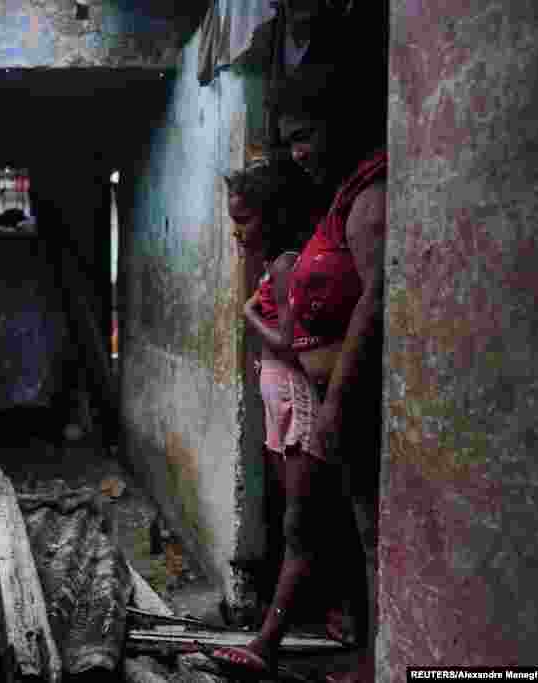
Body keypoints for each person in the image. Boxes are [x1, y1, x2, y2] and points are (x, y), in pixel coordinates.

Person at [213, 62, 388, 682]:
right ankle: (361, 652)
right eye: (291, 139)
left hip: (324, 396)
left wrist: (335, 400)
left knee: (314, 525)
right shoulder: (336, 206)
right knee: (331, 523)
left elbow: (353, 306)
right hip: (310, 394)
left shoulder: (363, 200)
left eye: (307, 132)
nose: (301, 149)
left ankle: (292, 643)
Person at [212, 157, 360, 676]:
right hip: (280, 398)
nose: (238, 231)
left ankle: (271, 640)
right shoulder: (272, 261)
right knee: (301, 513)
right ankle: (333, 613)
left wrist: (250, 316)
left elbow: (293, 346)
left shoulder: (285, 264)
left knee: (302, 520)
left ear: (271, 214)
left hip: (295, 397)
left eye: (245, 219)